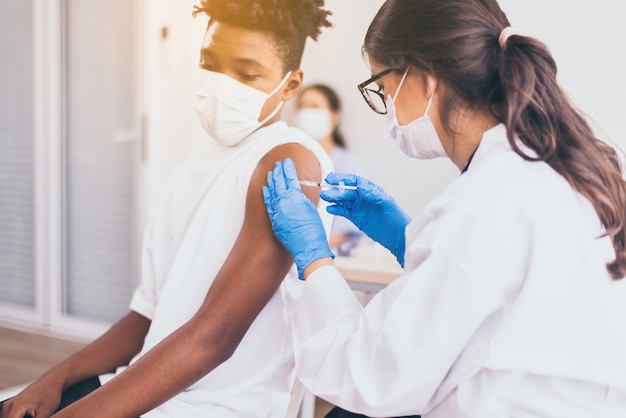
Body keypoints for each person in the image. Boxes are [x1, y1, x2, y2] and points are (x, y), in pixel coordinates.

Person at [263, 0, 626, 416]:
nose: (388, 111)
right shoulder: (559, 171)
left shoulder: (482, 202)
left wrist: (313, 259)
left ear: (423, 79)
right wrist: (411, 240)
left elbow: (369, 375)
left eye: (382, 90)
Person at [0, 1, 333, 417]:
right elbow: (147, 315)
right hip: (148, 390)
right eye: (209, 63)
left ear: (290, 84)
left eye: (246, 74)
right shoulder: (189, 171)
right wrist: (54, 381)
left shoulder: (289, 162)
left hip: (217, 408)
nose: (221, 84)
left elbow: (214, 338)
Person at [292, 84, 364, 255]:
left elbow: (347, 229)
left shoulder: (349, 165)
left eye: (314, 107)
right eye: (302, 107)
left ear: (334, 115)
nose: (306, 113)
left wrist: (305, 248)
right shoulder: (292, 162)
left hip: (331, 258)